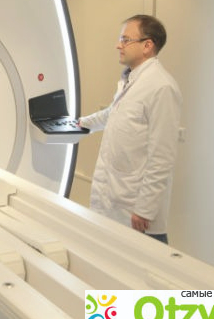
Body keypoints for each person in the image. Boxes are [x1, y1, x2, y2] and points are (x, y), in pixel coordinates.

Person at [78, 14, 182, 244]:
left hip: (136, 212)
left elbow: (162, 156)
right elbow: (113, 114)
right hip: (114, 199)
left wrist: (145, 208)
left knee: (145, 263)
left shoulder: (161, 87)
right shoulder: (131, 81)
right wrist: (82, 123)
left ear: (147, 46)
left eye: (125, 40)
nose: (119, 45)